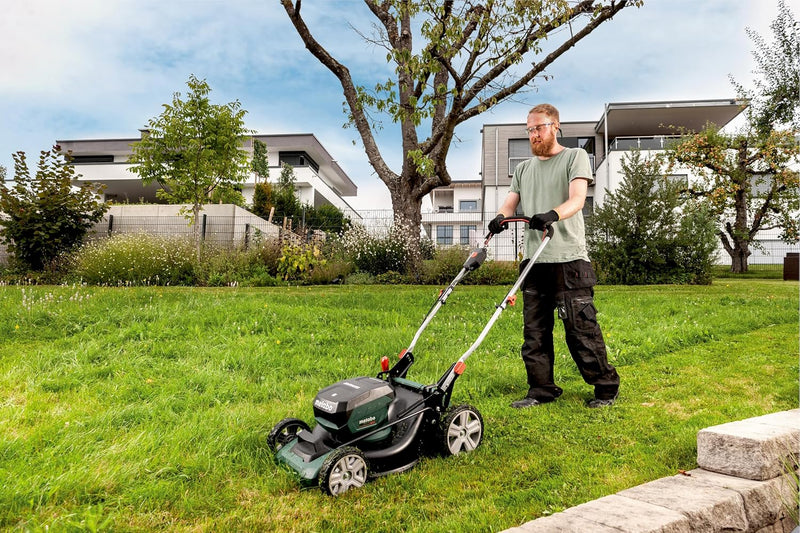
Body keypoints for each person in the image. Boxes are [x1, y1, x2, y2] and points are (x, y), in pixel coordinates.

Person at [489, 103, 619, 409]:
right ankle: (541, 390)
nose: (534, 134)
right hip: (534, 261)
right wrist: (499, 218)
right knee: (534, 332)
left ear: (555, 127)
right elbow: (509, 203)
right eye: (530, 130)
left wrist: (552, 214)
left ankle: (605, 387)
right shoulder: (523, 169)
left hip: (569, 258)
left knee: (580, 328)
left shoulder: (574, 157)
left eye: (539, 128)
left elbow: (577, 199)